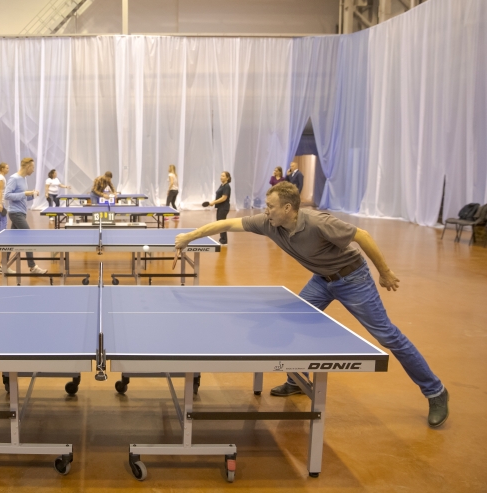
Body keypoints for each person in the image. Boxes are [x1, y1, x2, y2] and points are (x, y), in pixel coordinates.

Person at [174, 182, 449, 428]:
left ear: (288, 208)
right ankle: (296, 381)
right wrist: (188, 237)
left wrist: (385, 273)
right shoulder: (268, 223)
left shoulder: (319, 222)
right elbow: (225, 225)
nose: (265, 210)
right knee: (293, 319)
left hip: (353, 278)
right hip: (321, 279)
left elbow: (362, 236)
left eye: (270, 206)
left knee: (387, 335)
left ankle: (435, 391)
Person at [4, 157, 47, 275]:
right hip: (15, 213)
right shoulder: (14, 178)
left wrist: (32, 195)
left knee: (12, 241)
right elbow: (7, 195)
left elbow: (23, 197)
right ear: (28, 167)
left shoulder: (24, 179)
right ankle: (32, 267)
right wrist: (24, 193)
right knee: (28, 235)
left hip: (22, 212)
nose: (33, 170)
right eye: (33, 167)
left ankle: (3, 265)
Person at [209, 171, 232, 244]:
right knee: (219, 223)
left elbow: (224, 198)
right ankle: (222, 239)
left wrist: (214, 202)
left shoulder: (227, 186)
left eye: (223, 176)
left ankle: (224, 241)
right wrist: (213, 201)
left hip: (224, 207)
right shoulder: (222, 185)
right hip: (220, 207)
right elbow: (219, 196)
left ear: (227, 178)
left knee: (221, 224)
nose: (221, 177)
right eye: (221, 176)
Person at [0, 162, 9, 235]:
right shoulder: (1, 178)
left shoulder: (0, 177)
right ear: (2, 169)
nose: (8, 170)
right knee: (4, 220)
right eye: (7, 168)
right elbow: (0, 191)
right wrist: (0, 203)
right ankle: (3, 236)